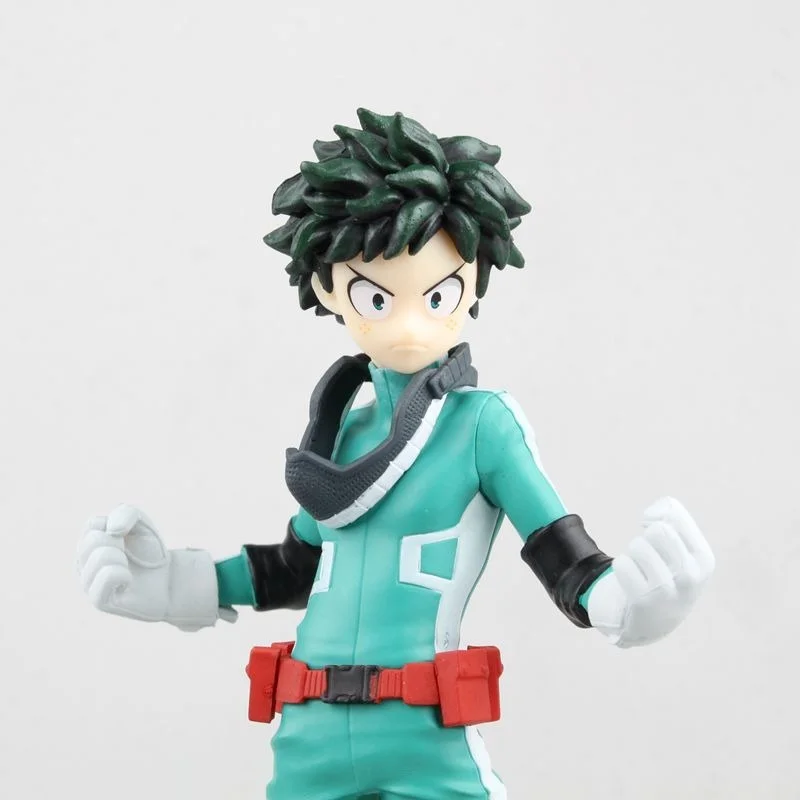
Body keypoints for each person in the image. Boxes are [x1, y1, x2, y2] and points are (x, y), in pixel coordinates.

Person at [76, 108, 715, 800]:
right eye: (376, 296)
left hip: (425, 733)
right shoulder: (340, 436)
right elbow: (295, 566)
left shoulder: (481, 425)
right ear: (329, 286)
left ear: (475, 279)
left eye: (438, 294)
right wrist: (177, 584)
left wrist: (620, 601)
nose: (410, 323)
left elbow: (561, 554)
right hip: (308, 733)